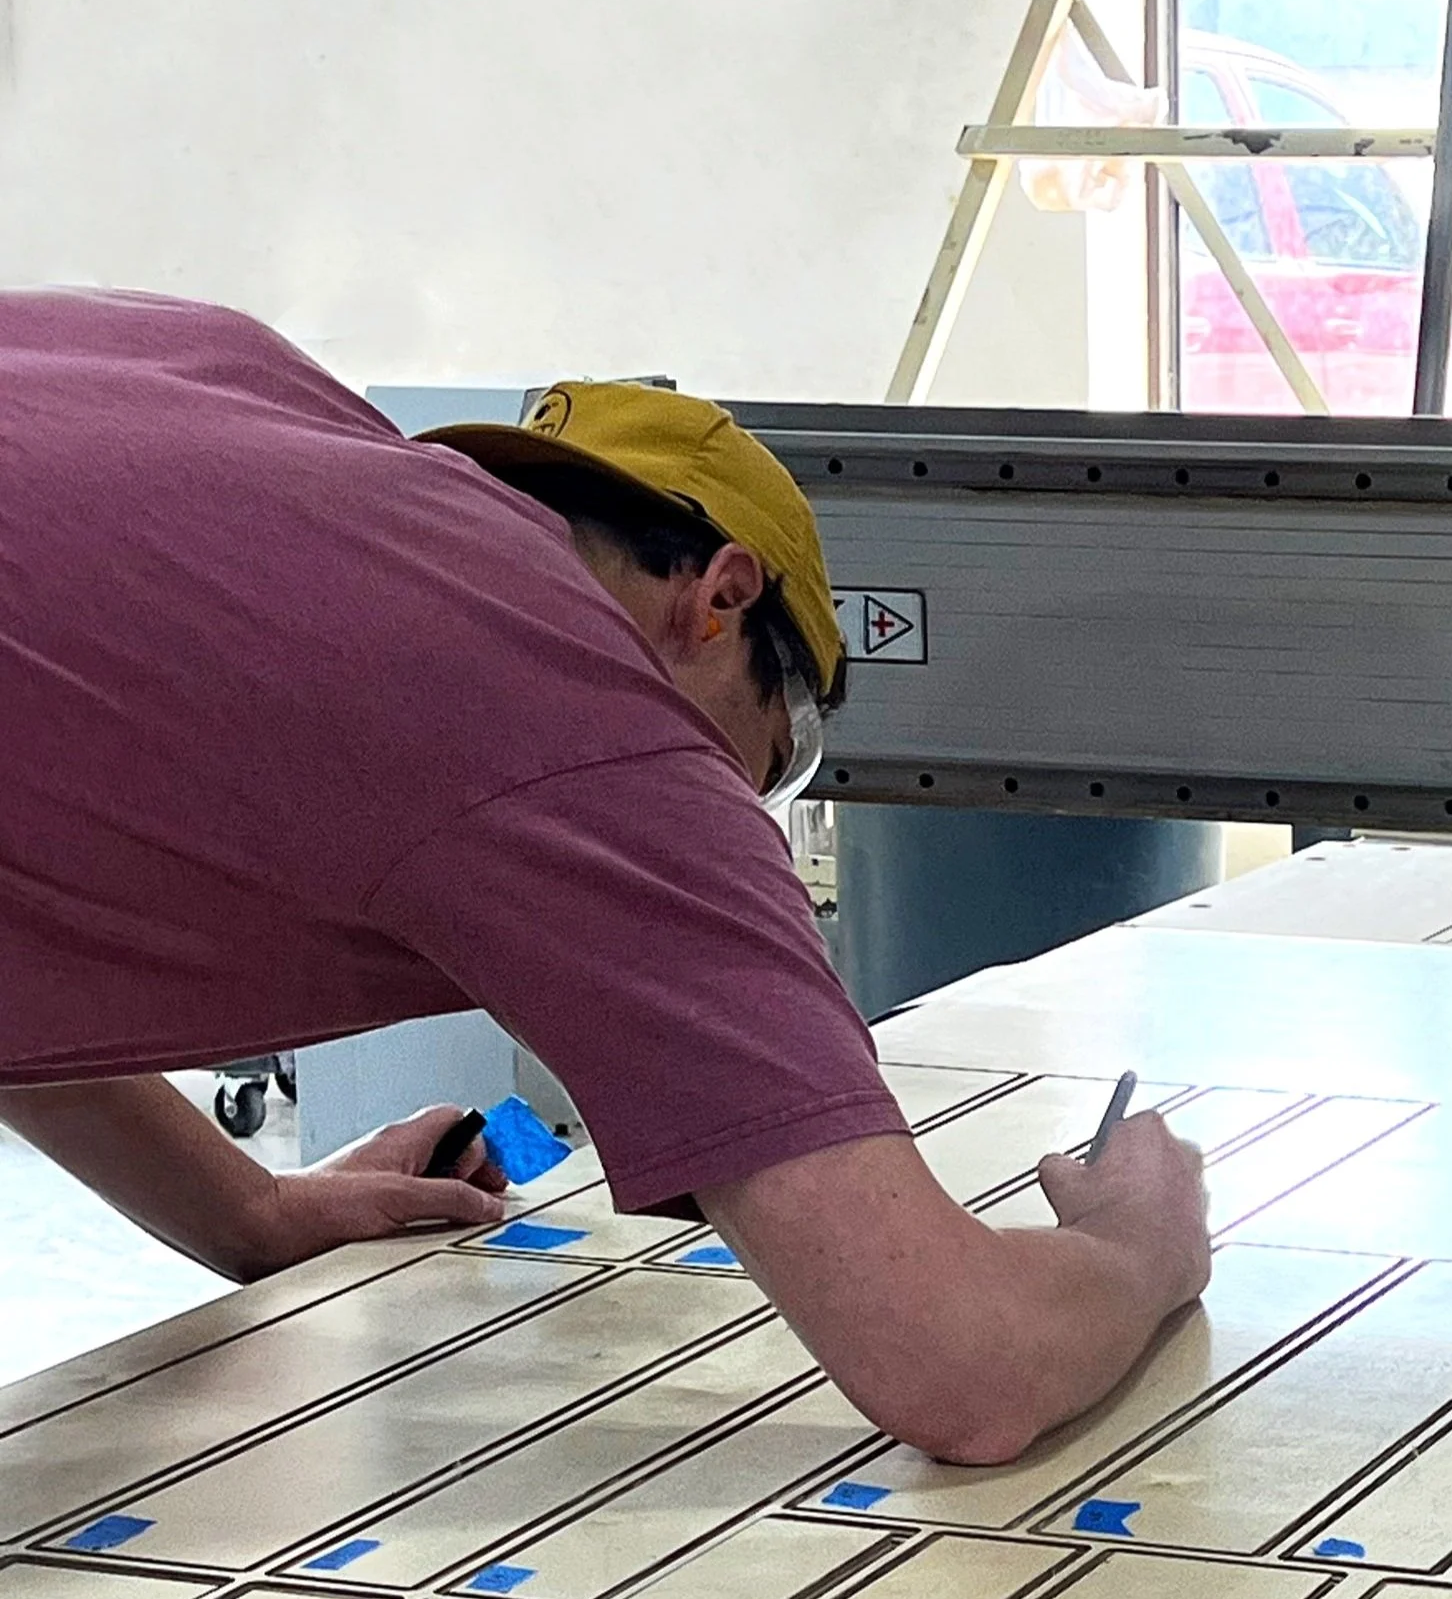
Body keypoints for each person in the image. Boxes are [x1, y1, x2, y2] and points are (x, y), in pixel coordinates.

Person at [0, 289, 1210, 1462]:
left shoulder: (218, 372)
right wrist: (1137, 1248)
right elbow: (962, 1367)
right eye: (762, 763)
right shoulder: (574, 700)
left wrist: (247, 1214)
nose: (729, 810)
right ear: (721, 601)